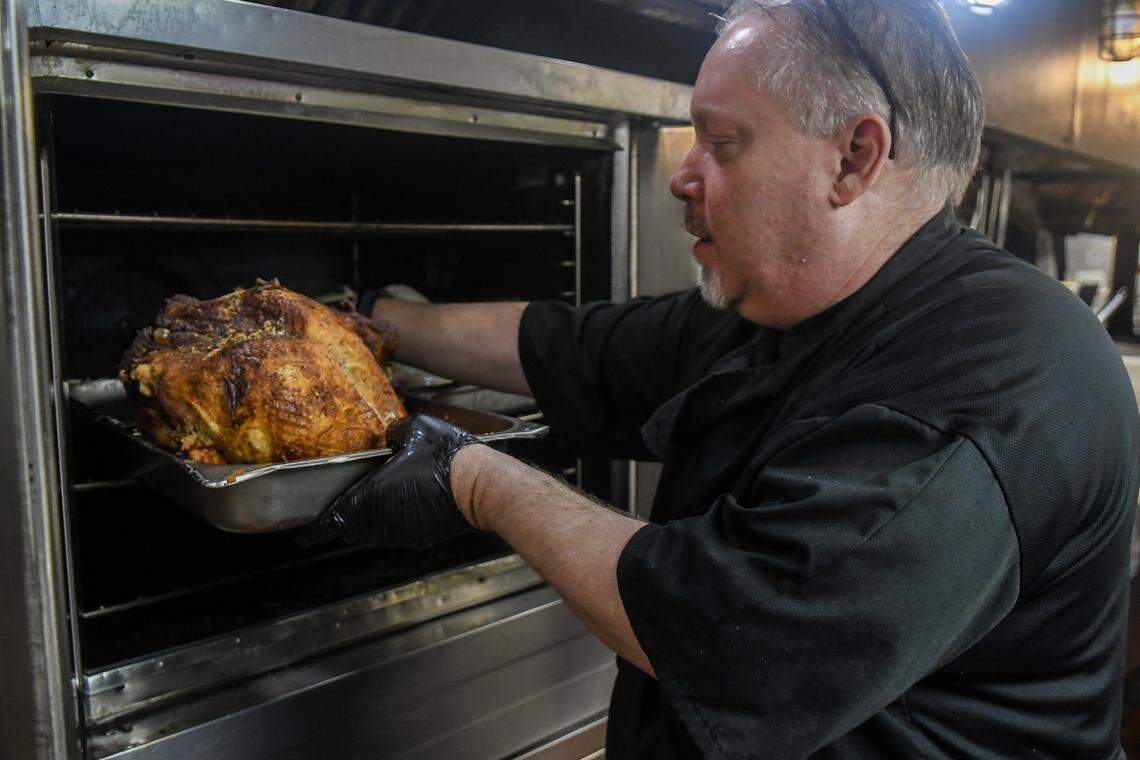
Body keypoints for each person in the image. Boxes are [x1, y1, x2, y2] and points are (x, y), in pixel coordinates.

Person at [300, 1, 1140, 757]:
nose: (684, 173)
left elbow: (728, 634)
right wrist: (356, 326)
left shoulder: (986, 386)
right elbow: (575, 349)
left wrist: (473, 479)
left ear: (855, 155)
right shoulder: (790, 303)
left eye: (722, 142)